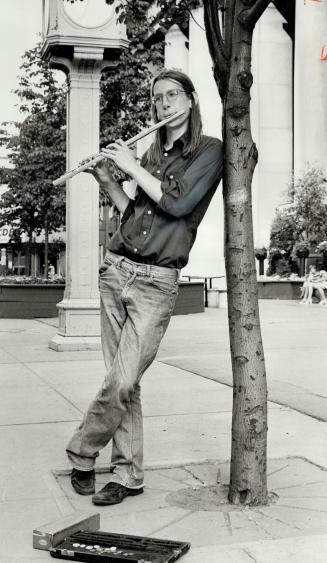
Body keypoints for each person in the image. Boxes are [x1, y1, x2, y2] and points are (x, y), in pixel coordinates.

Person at [66, 69, 223, 506]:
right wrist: (107, 180)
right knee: (124, 383)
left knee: (122, 380)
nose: (164, 104)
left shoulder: (210, 152)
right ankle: (128, 474)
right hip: (117, 270)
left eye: (173, 95)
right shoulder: (153, 150)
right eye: (157, 99)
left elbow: (177, 204)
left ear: (190, 101)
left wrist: (130, 164)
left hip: (157, 282)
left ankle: (81, 451)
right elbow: (134, 214)